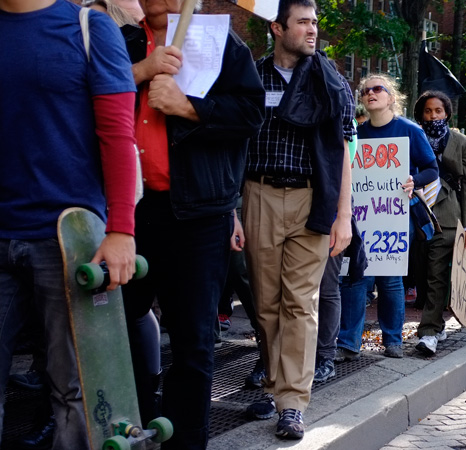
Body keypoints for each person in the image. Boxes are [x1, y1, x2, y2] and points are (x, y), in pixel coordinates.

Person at [119, 0, 265, 446]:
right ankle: (131, 428)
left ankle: (186, 440)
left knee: (193, 341)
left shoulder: (221, 42)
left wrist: (189, 107)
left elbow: (251, 114)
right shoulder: (118, 42)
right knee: (116, 332)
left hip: (198, 216)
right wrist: (141, 71)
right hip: (125, 213)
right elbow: (81, 100)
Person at [0, 0, 137, 448]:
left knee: (79, 393)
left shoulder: (89, 28)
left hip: (70, 239)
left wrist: (121, 230)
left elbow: (118, 136)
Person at [239, 0, 354, 439]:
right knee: (267, 305)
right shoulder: (251, 75)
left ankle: (292, 403)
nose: (312, 30)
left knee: (300, 305)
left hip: (313, 199)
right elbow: (236, 145)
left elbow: (344, 152)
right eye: (304, 22)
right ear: (277, 28)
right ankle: (272, 385)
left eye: (315, 23)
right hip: (259, 195)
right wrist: (236, 208)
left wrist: (344, 216)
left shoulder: (332, 82)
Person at [336, 74, 439, 359]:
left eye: (377, 89)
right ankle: (348, 343)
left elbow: (432, 169)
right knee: (354, 277)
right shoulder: (357, 133)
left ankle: (392, 341)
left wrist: (413, 181)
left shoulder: (409, 130)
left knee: (390, 280)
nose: (371, 93)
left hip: (395, 215)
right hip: (362, 216)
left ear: (392, 97)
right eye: (366, 90)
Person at [412, 91, 466, 357]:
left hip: (449, 217)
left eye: (438, 111)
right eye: (428, 111)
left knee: (437, 274)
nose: (433, 116)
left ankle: (428, 332)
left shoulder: (462, 142)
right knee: (425, 274)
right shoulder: (413, 138)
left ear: (447, 113)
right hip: (418, 213)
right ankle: (436, 322)